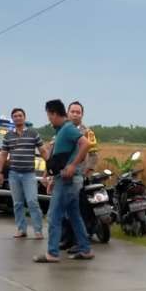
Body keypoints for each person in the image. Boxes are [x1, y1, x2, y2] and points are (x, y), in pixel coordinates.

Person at [35, 99, 93, 263]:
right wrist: (52, 177)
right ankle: (86, 249)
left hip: (69, 180)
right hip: (64, 178)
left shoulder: (68, 128)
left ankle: (52, 253)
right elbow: (58, 158)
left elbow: (86, 144)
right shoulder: (61, 131)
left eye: (49, 115)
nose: (49, 119)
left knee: (54, 216)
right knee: (74, 215)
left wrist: (73, 165)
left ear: (54, 113)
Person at [0, 107, 45, 240]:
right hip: (14, 174)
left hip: (29, 174)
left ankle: (38, 230)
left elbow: (43, 151)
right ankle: (21, 229)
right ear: (12, 119)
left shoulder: (33, 133)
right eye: (15, 116)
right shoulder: (8, 136)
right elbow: (3, 155)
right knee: (17, 203)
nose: (18, 118)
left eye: (20, 115)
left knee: (32, 201)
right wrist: (0, 172)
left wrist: (50, 166)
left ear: (24, 118)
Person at [68, 101, 98, 174]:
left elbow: (93, 155)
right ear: (67, 113)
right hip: (60, 175)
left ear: (82, 115)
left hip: (78, 175)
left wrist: (85, 172)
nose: (75, 114)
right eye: (72, 112)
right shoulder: (60, 130)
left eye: (78, 112)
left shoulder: (87, 132)